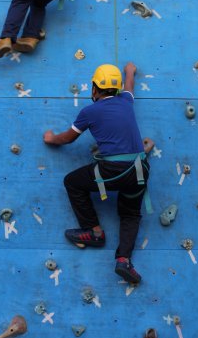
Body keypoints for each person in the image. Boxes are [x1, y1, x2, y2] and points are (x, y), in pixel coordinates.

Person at [43, 62, 151, 284]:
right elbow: (130, 86)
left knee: (72, 182)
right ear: (118, 89)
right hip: (140, 168)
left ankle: (94, 232)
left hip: (113, 169)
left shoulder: (89, 111)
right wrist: (130, 71)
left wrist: (51, 138)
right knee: (131, 213)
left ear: (94, 89)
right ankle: (123, 260)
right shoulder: (126, 100)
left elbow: (68, 138)